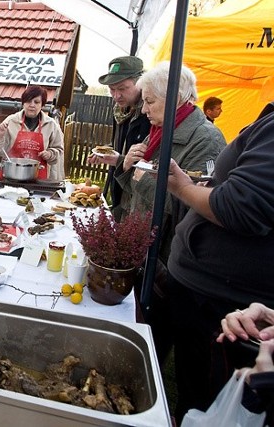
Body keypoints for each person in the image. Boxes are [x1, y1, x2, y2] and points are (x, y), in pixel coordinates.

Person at [165, 101, 274, 422]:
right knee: (193, 393)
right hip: (216, 294)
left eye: (150, 102)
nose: (145, 109)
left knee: (204, 402)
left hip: (221, 303)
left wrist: (182, 188)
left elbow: (241, 206)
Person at [114, 61, 226, 365]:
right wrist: (127, 167)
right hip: (144, 246)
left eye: (150, 101)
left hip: (170, 259)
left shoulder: (205, 140)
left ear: (175, 97)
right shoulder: (158, 133)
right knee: (141, 325)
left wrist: (141, 175)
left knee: (161, 335)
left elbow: (187, 202)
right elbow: (138, 192)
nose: (144, 109)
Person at [88, 56, 151, 220]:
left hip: (137, 199)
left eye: (122, 88)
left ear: (141, 83)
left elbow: (147, 161)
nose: (116, 95)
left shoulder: (149, 114)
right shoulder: (120, 110)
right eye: (112, 89)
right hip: (119, 190)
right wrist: (107, 151)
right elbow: (123, 143)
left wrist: (119, 160)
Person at [0, 85, 65, 181]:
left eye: (36, 102)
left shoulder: (51, 125)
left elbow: (59, 151)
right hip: (11, 177)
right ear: (23, 103)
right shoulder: (11, 121)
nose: (32, 105)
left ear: (42, 105)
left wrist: (50, 154)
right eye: (28, 101)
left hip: (39, 179)